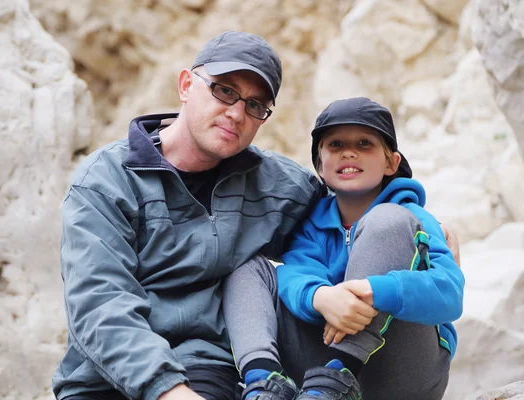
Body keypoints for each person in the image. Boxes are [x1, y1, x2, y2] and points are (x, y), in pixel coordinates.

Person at [51, 31, 323, 400]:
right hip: (103, 378)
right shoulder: (105, 182)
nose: (236, 113)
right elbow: (100, 302)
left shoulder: (279, 186)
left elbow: (357, 212)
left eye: (255, 105)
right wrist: (169, 392)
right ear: (185, 85)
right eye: (224, 90)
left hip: (204, 368)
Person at [222, 97, 465, 400]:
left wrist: (374, 290)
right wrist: (321, 297)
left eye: (365, 143)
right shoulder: (311, 224)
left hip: (403, 371)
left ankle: (337, 374)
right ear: (320, 166)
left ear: (392, 162)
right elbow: (296, 275)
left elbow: (450, 294)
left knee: (386, 221)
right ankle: (264, 382)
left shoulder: (412, 217)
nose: (349, 152)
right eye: (335, 145)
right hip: (319, 371)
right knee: (247, 265)